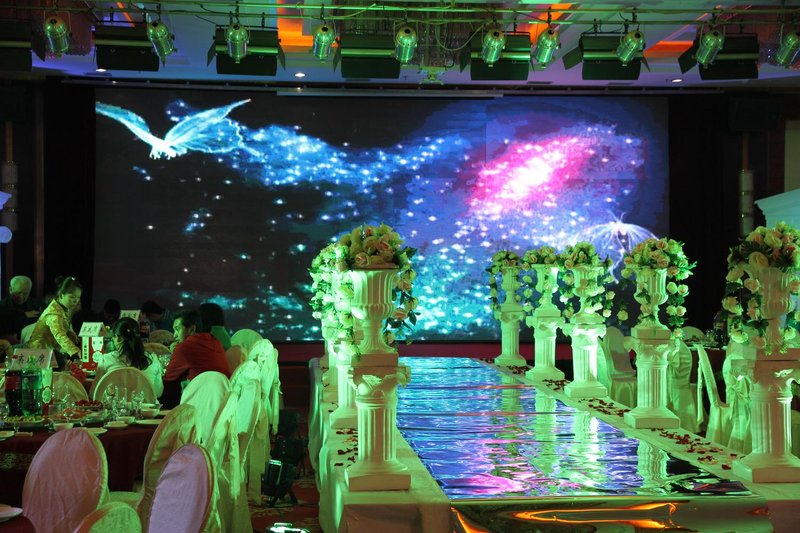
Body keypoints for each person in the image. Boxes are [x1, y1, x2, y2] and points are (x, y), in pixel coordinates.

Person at [161, 309, 231, 408]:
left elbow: (169, 378)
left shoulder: (184, 347)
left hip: (199, 402)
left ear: (192, 329)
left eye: (177, 329)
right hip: (224, 402)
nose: (175, 334)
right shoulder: (216, 342)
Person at [94, 317, 163, 397]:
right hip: (146, 405)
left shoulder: (105, 360)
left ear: (118, 338)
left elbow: (95, 393)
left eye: (114, 337)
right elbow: (158, 392)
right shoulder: (153, 359)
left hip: (116, 404)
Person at [27, 276, 82, 369]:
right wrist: (74, 350)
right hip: (38, 353)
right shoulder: (53, 312)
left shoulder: (64, 308)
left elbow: (63, 326)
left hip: (50, 352)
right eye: (72, 297)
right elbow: (59, 334)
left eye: (78, 298)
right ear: (61, 295)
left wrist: (69, 332)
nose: (75, 301)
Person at [0, 275, 42, 342]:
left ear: (29, 291)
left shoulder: (37, 305)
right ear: (10, 290)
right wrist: (24, 315)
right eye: (18, 293)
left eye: (25, 293)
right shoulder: (2, 307)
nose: (21, 297)